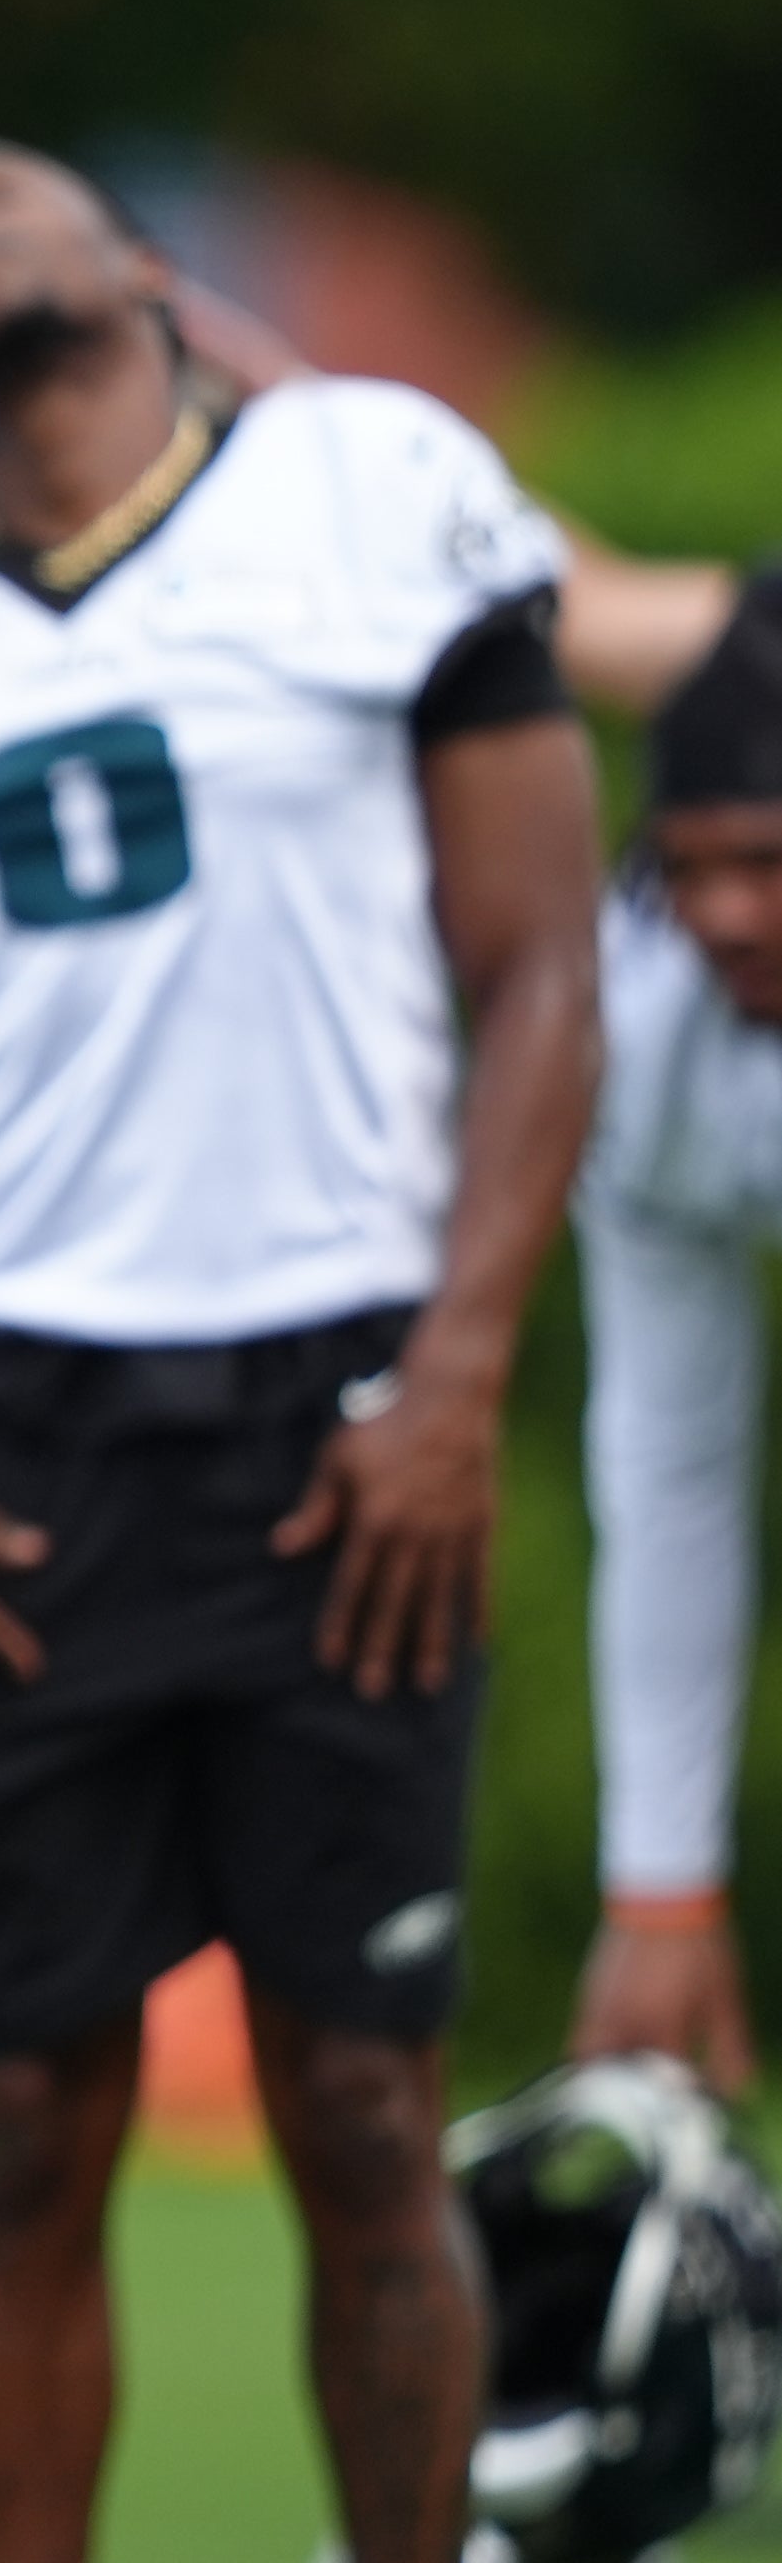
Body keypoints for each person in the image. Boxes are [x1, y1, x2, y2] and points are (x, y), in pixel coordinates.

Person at [0, 140, 603, 2563]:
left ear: (155, 274)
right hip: (20, 1436)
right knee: (16, 2111)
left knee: (354, 2093)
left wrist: (454, 1373)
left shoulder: (369, 490)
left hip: (338, 1403)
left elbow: (540, 968)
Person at [559, 572, 782, 2094]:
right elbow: (670, 1464)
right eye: (684, 866)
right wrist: (661, 1883)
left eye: (767, 864)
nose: (722, 915)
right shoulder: (639, 1031)